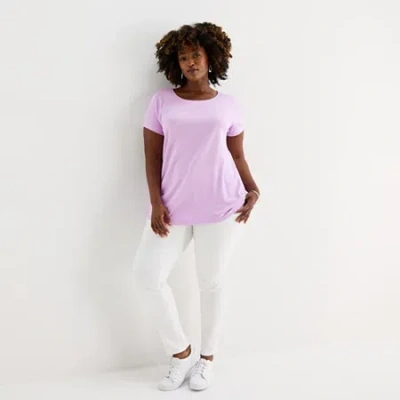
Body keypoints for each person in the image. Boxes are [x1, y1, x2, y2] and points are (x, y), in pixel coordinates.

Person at [133, 22, 260, 391]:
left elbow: (236, 154)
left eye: (196, 55)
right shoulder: (161, 102)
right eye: (183, 57)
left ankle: (206, 359)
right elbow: (152, 157)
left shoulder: (228, 105)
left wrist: (253, 189)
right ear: (175, 63)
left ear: (210, 58)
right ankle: (180, 352)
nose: (190, 62)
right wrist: (155, 202)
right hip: (172, 209)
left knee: (211, 282)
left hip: (222, 207)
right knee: (147, 276)